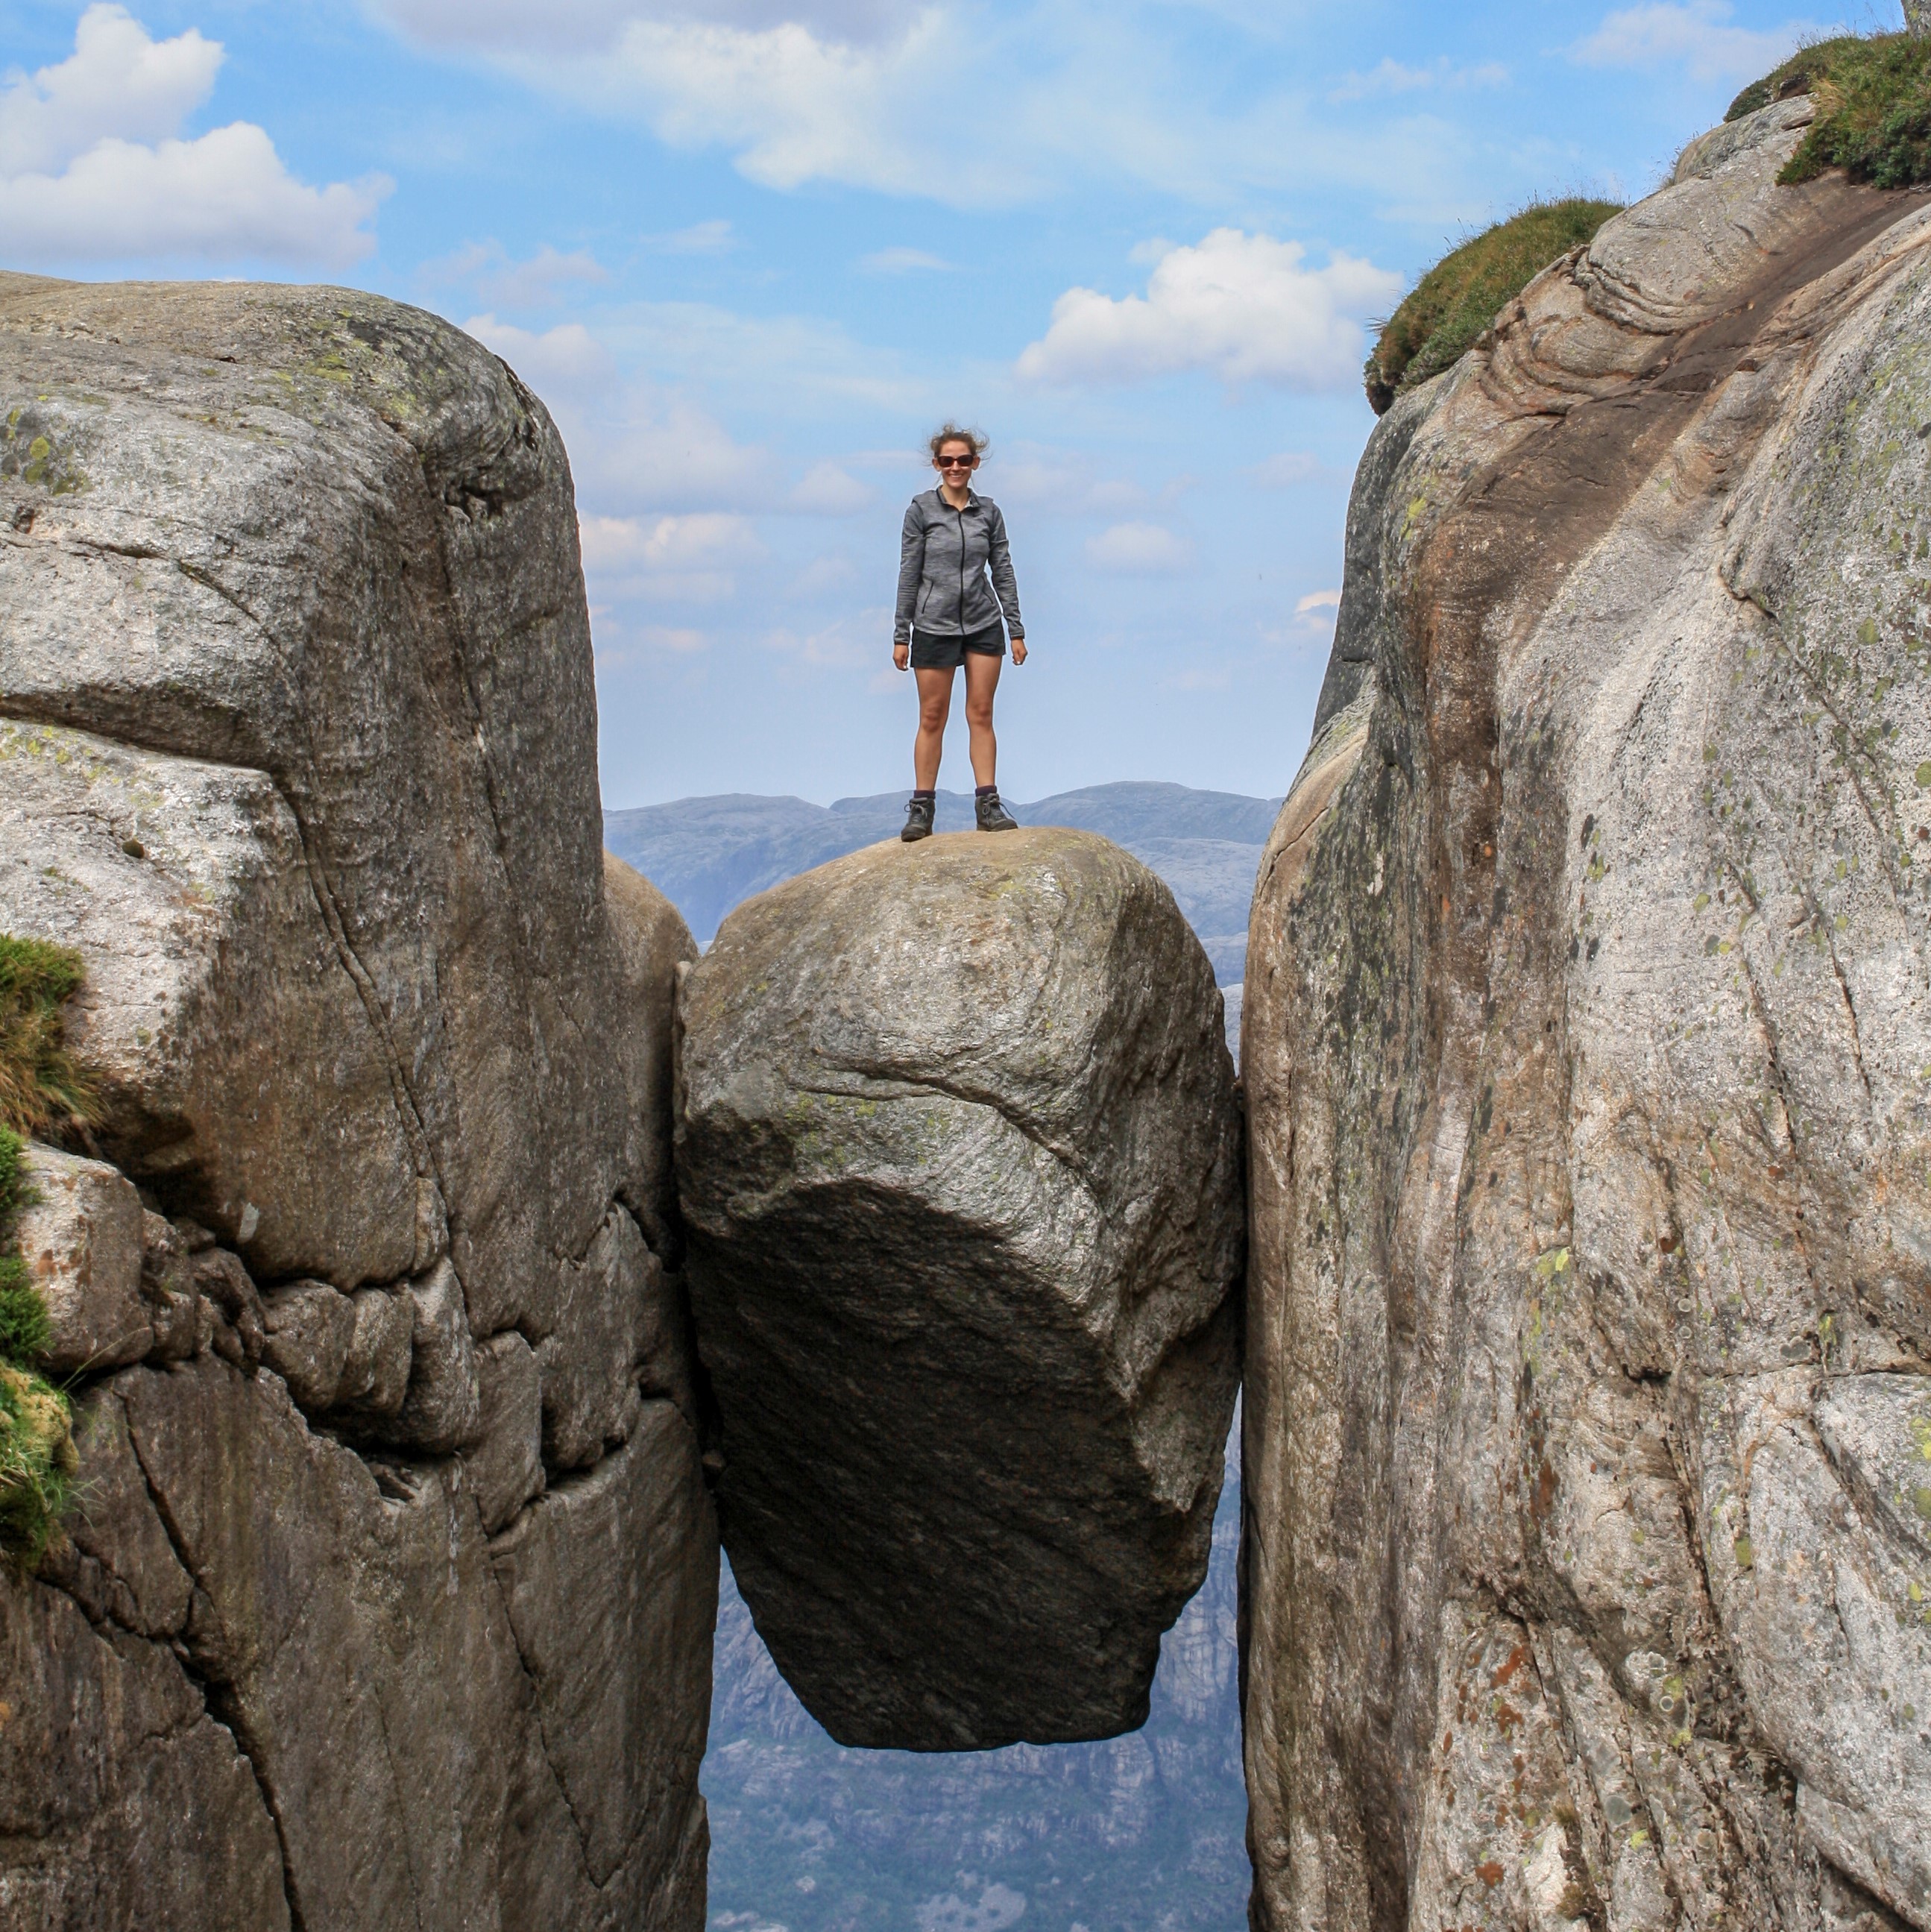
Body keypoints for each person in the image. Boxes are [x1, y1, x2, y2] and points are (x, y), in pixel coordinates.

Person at [892, 423, 1028, 841]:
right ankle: (921, 810)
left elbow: (1002, 569)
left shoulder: (989, 512)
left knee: (981, 714)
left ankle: (988, 804)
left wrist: (1015, 627)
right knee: (932, 716)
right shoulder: (921, 511)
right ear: (936, 464)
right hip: (933, 625)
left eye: (963, 460)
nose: (955, 467)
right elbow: (908, 572)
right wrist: (902, 634)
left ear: (975, 464)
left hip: (983, 622)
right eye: (947, 461)